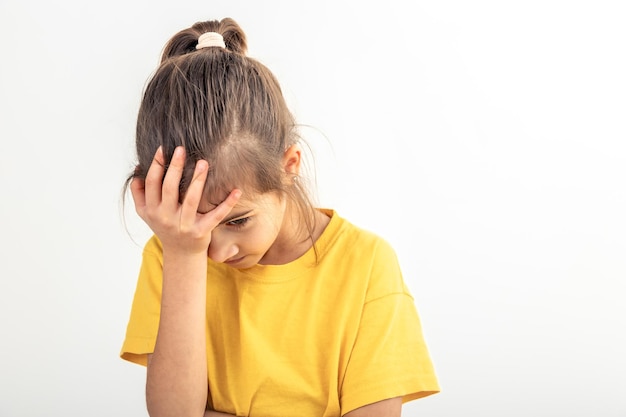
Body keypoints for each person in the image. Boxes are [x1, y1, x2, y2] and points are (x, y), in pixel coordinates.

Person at [120, 17, 440, 417]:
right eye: (193, 223)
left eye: (236, 221)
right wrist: (183, 257)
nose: (215, 251)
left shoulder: (366, 265)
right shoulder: (174, 254)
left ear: (289, 165)